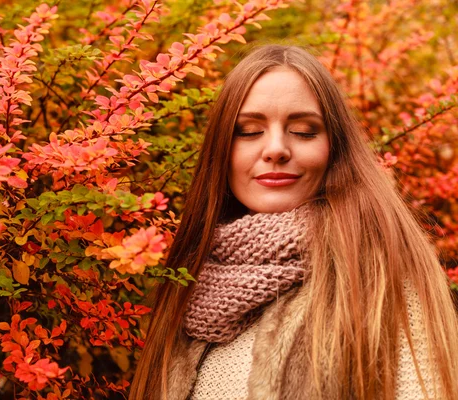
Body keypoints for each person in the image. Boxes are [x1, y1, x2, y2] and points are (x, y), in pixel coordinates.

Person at [129, 45, 458, 400]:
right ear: (221, 149)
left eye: (303, 131)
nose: (276, 149)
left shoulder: (381, 271)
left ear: (335, 149)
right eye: (249, 131)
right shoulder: (190, 277)